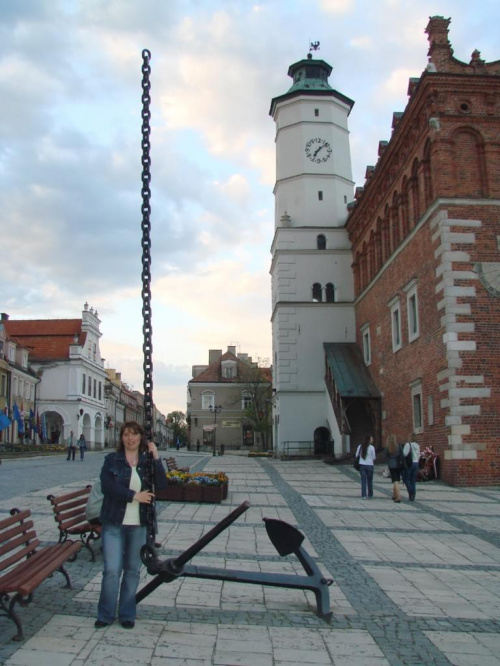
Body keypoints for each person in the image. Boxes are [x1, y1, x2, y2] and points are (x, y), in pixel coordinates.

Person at [95, 421, 168, 629]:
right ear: (121, 438)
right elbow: (107, 486)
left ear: (140, 438)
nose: (130, 438)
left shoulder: (146, 462)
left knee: (133, 570)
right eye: (126, 434)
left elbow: (162, 485)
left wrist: (156, 458)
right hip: (113, 523)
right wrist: (134, 496)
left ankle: (127, 613)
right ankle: (106, 614)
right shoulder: (111, 460)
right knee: (111, 569)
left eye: (134, 434)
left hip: (138, 524)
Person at [356, 435, 376, 499]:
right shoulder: (372, 447)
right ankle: (370, 494)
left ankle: (364, 495)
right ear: (369, 440)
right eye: (372, 439)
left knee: (363, 480)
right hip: (369, 465)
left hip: (362, 465)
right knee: (370, 480)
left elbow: (356, 455)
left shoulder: (360, 446)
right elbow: (374, 457)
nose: (373, 440)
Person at [385, 434, 403, 503]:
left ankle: (398, 497)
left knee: (394, 480)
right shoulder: (398, 446)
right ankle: (394, 495)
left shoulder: (388, 447)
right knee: (397, 480)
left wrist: (389, 459)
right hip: (398, 464)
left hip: (391, 465)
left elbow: (384, 455)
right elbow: (402, 455)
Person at [402, 433, 420, 501]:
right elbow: (419, 455)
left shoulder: (408, 444)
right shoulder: (417, 445)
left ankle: (411, 491)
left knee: (406, 479)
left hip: (410, 463)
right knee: (413, 480)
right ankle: (412, 494)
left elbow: (404, 454)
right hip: (416, 463)